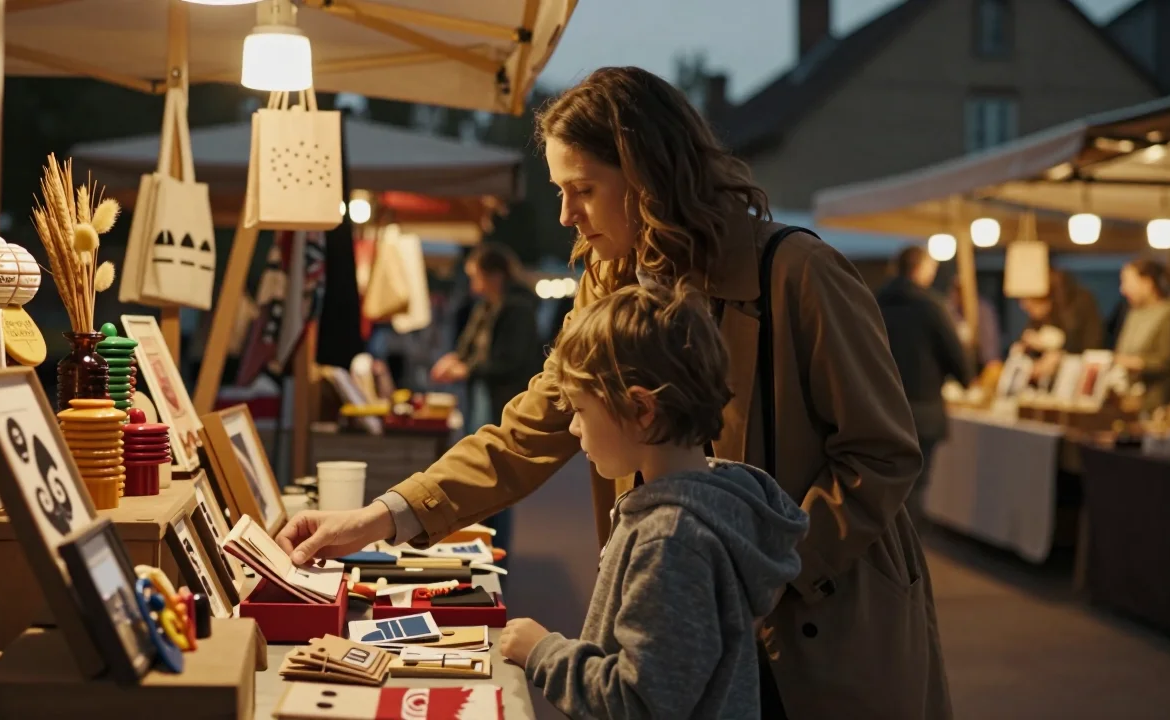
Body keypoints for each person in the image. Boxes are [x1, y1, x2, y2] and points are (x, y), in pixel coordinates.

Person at [277, 66, 949, 719]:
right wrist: (381, 519)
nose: (566, 215)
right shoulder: (609, 282)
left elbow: (882, 456)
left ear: (652, 177)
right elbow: (528, 431)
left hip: (820, 625)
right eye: (560, 191)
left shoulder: (800, 273)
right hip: (701, 614)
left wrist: (759, 571)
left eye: (584, 189)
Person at [498, 283, 808, 719]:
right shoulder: (717, 506)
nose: (573, 429)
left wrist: (542, 653)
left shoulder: (670, 539)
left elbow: (642, 702)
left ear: (642, 409)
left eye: (580, 410)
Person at [429, 242, 543, 555]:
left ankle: (495, 548)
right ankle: (480, 542)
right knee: (477, 469)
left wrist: (464, 369)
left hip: (501, 402)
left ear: (495, 275)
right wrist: (455, 360)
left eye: (476, 276)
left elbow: (512, 361)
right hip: (480, 399)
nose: (473, 283)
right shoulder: (488, 306)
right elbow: (467, 348)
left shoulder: (517, 309)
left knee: (496, 476)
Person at [878, 248, 973, 528]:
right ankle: (907, 558)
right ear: (921, 269)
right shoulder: (931, 305)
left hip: (880, 406)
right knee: (916, 487)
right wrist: (967, 377)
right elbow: (956, 358)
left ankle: (883, 554)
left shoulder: (874, 301)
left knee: (884, 484)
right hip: (923, 409)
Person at [1113, 259, 1170, 412]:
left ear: (1147, 283)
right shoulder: (1133, 313)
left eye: (1128, 282)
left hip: (1156, 402)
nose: (1123, 289)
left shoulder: (1168, 313)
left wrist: (1134, 362)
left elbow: (1166, 360)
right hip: (1127, 398)